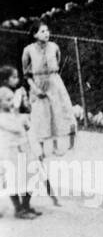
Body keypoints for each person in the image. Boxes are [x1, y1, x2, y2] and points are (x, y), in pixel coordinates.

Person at [21, 20, 77, 151]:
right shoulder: (28, 50)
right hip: (38, 85)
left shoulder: (54, 47)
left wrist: (52, 78)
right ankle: (41, 147)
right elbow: (26, 74)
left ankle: (60, 145)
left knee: (59, 112)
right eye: (42, 31)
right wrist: (35, 88)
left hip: (54, 83)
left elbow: (57, 61)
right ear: (35, 35)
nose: (46, 34)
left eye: (47, 31)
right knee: (42, 115)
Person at [1, 85, 40, 218]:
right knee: (14, 181)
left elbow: (28, 127)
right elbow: (16, 127)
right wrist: (21, 117)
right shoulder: (2, 118)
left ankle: (26, 205)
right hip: (10, 153)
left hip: (24, 149)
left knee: (30, 177)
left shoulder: (17, 115)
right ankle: (18, 209)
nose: (11, 102)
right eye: (7, 100)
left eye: (12, 99)